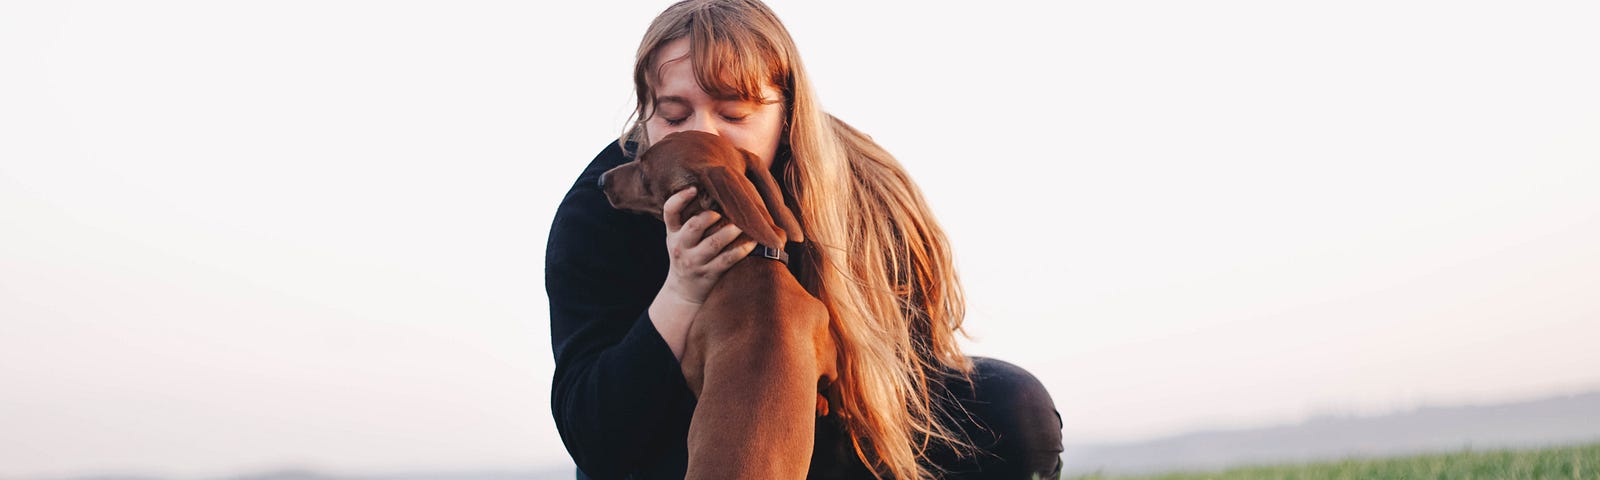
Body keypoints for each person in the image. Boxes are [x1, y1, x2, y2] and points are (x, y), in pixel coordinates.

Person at [546, 0, 1063, 478]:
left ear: (787, 113)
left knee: (1012, 407)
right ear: (644, 113)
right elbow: (597, 439)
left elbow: (913, 366)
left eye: (734, 114)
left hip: (839, 422)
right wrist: (681, 292)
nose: (702, 135)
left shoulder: (863, 189)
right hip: (675, 445)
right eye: (675, 114)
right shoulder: (604, 208)